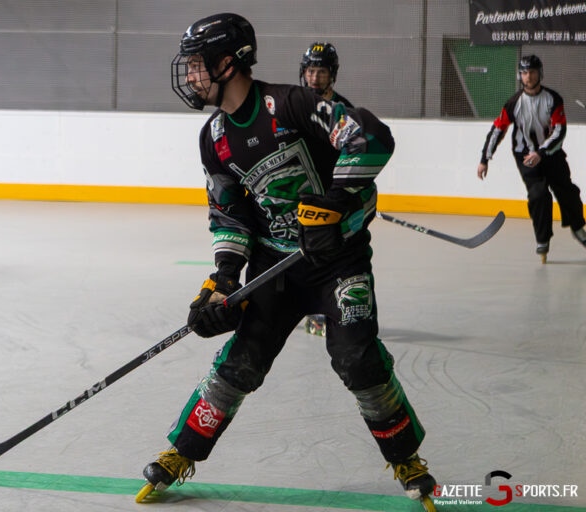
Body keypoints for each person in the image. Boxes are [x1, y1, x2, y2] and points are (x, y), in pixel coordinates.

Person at [136, 13, 436, 508]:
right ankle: (181, 451)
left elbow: (370, 137)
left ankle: (406, 457)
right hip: (274, 270)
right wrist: (222, 281)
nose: (189, 75)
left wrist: (332, 206)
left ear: (227, 63)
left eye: (196, 64)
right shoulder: (214, 138)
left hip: (339, 262)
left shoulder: (291, 104)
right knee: (241, 361)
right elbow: (228, 215)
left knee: (357, 359)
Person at [477, 55, 586, 263]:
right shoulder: (513, 103)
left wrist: (541, 153)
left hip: (551, 154)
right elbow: (498, 129)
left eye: (533, 72)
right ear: (520, 75)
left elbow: (560, 131)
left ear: (540, 73)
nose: (529, 77)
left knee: (568, 191)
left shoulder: (553, 99)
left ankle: (578, 228)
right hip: (525, 156)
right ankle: (542, 239)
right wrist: (485, 159)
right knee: (538, 195)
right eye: (525, 73)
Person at [299, 41, 353, 336]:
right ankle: (311, 309)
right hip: (305, 193)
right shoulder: (297, 105)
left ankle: (331, 307)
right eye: (310, 71)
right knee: (306, 254)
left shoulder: (343, 110)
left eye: (320, 71)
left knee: (335, 255)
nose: (314, 77)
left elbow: (356, 154)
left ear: (332, 74)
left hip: (332, 195)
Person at [299, 41, 354, 107]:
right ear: (304, 72)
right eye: (311, 71)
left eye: (322, 72)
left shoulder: (344, 108)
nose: (315, 79)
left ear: (332, 75)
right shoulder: (295, 104)